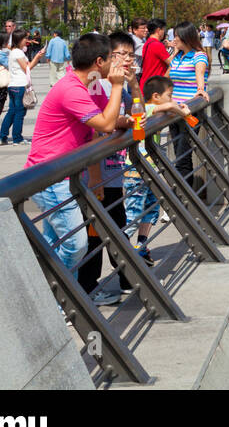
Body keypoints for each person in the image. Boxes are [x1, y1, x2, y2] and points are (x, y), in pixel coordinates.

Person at [25, 33, 125, 275]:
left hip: (67, 174)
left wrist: (126, 120)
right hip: (50, 177)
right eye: (113, 58)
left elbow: (106, 119)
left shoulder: (89, 84)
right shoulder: (71, 88)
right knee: (74, 244)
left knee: (55, 244)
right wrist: (118, 85)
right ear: (99, 62)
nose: (117, 63)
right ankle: (56, 298)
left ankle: (55, 299)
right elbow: (105, 125)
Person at [77, 31, 139, 304]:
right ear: (105, 58)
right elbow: (95, 131)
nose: (128, 60)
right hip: (97, 175)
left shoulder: (119, 87)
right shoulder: (97, 86)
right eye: (122, 55)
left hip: (114, 173)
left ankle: (126, 280)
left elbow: (140, 124)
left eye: (131, 55)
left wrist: (135, 86)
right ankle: (89, 289)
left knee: (115, 228)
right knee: (96, 233)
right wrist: (96, 178)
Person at [124, 74, 190, 261]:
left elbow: (169, 105)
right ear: (155, 96)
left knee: (151, 209)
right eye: (169, 94)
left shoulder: (158, 108)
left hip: (151, 168)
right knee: (134, 213)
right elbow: (167, 106)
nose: (172, 98)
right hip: (136, 170)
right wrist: (178, 109)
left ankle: (141, 246)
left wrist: (176, 105)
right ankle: (122, 249)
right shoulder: (148, 108)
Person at [167, 22, 210, 188]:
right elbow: (167, 77)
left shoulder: (199, 56)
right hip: (173, 111)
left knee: (183, 156)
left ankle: (184, 200)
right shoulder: (177, 57)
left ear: (186, 37)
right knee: (179, 153)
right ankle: (185, 197)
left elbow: (200, 73)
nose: (173, 39)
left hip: (189, 111)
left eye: (177, 36)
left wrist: (200, 89)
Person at [0, 29, 32, 146]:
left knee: (12, 111)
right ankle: (17, 138)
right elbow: (27, 68)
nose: (26, 40)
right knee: (19, 113)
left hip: (13, 85)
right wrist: (38, 57)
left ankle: (3, 136)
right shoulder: (18, 52)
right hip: (19, 85)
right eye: (24, 39)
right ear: (19, 40)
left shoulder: (14, 51)